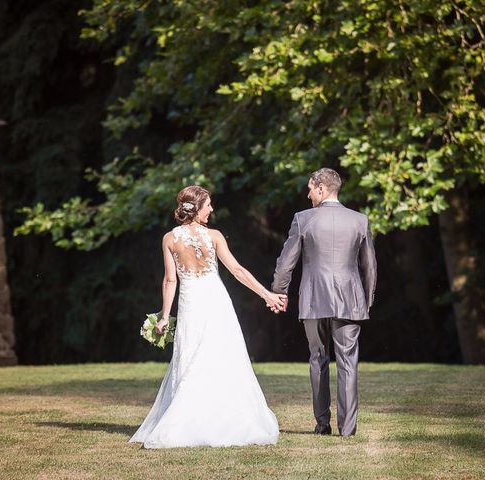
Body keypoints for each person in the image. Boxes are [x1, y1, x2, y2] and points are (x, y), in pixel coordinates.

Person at [129, 185, 284, 449]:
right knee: (221, 354)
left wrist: (165, 316)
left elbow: (170, 280)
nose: (211, 209)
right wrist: (266, 294)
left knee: (193, 355)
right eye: (208, 205)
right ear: (197, 207)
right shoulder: (214, 236)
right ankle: (222, 419)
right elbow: (236, 270)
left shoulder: (170, 238)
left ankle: (192, 420)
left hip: (193, 303)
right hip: (215, 300)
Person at [271, 168, 377, 436]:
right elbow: (370, 266)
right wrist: (368, 297)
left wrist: (279, 291)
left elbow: (286, 262)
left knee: (317, 359)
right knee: (348, 362)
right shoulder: (359, 220)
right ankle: (348, 429)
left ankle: (322, 424)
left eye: (310, 188)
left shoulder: (303, 219)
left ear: (321, 188)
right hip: (351, 299)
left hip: (314, 298)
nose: (308, 194)